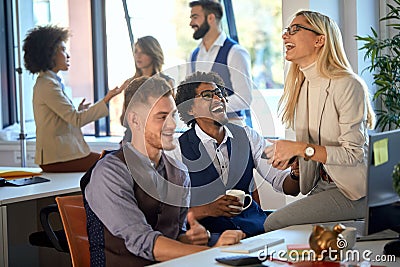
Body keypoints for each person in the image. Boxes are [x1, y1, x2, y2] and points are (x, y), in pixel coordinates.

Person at [81, 76, 245, 266]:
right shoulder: (110, 172)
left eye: (173, 115)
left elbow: (175, 235)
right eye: (161, 117)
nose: (172, 125)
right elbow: (143, 242)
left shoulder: (179, 172)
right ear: (135, 120)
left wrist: (193, 238)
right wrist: (211, 251)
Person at [263, 10, 376, 232]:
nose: (286, 36)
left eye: (295, 30)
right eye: (286, 31)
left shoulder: (347, 85)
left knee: (273, 223)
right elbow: (313, 151)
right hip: (323, 184)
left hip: (352, 191)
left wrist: (300, 148)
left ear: (319, 40)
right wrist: (295, 160)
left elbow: (354, 154)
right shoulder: (302, 85)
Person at [172, 71, 299, 243]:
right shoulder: (177, 150)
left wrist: (295, 174)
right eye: (207, 96)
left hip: (255, 230)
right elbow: (171, 215)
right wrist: (208, 209)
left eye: (219, 93)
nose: (218, 99)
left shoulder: (247, 136)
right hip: (212, 238)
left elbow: (286, 185)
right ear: (190, 108)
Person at [23, 25, 127, 172]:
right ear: (50, 54)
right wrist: (106, 99)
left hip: (62, 155)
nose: (68, 55)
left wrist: (78, 110)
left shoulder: (50, 82)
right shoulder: (47, 85)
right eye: (63, 50)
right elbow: (76, 119)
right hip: (58, 158)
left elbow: (66, 119)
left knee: (114, 160)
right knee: (114, 163)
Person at [188, 0, 253, 127]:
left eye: (195, 17)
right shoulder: (194, 55)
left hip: (232, 129)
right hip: (203, 130)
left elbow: (244, 98)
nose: (191, 23)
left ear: (211, 18)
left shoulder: (235, 52)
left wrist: (210, 108)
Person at [120, 36, 174, 144]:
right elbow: (124, 121)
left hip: (156, 141)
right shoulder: (130, 84)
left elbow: (169, 118)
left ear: (153, 54)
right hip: (131, 141)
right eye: (136, 52)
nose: (138, 56)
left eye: (143, 52)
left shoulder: (167, 83)